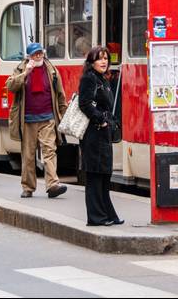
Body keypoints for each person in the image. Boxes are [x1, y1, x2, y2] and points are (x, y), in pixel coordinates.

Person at [6, 42, 68, 199]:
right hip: (27, 119)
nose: (38, 56)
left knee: (49, 151)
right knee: (28, 155)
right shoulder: (21, 69)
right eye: (35, 54)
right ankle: (28, 187)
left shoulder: (52, 70)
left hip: (48, 118)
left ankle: (53, 184)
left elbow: (60, 94)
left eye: (40, 53)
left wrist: (63, 114)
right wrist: (26, 73)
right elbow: (11, 87)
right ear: (29, 57)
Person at [78, 46, 122, 226]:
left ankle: (108, 214)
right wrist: (101, 120)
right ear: (91, 62)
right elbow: (85, 103)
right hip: (93, 134)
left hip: (102, 134)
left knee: (104, 176)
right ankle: (96, 217)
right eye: (100, 58)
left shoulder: (102, 79)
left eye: (106, 58)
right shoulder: (89, 79)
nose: (104, 62)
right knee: (95, 176)